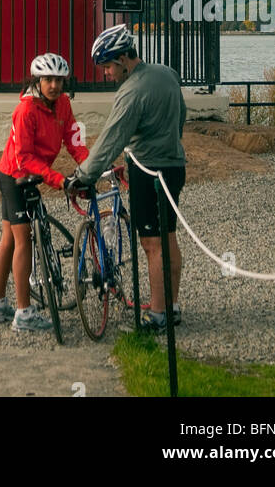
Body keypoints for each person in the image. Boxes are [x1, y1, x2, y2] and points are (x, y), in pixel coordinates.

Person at [68, 25, 186, 332]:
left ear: (123, 58)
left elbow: (111, 140)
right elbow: (181, 117)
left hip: (148, 171)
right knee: (168, 236)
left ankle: (157, 316)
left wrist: (83, 175)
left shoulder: (131, 92)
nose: (106, 73)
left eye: (108, 66)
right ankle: (171, 308)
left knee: (152, 243)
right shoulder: (167, 74)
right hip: (174, 167)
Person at [0, 53, 90, 333]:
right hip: (14, 176)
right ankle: (24, 313)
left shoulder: (64, 104)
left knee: (8, 237)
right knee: (23, 239)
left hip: (32, 173)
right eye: (48, 80)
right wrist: (59, 180)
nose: (54, 86)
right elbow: (24, 157)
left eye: (59, 80)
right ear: (37, 80)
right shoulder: (25, 111)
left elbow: (73, 139)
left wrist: (88, 166)